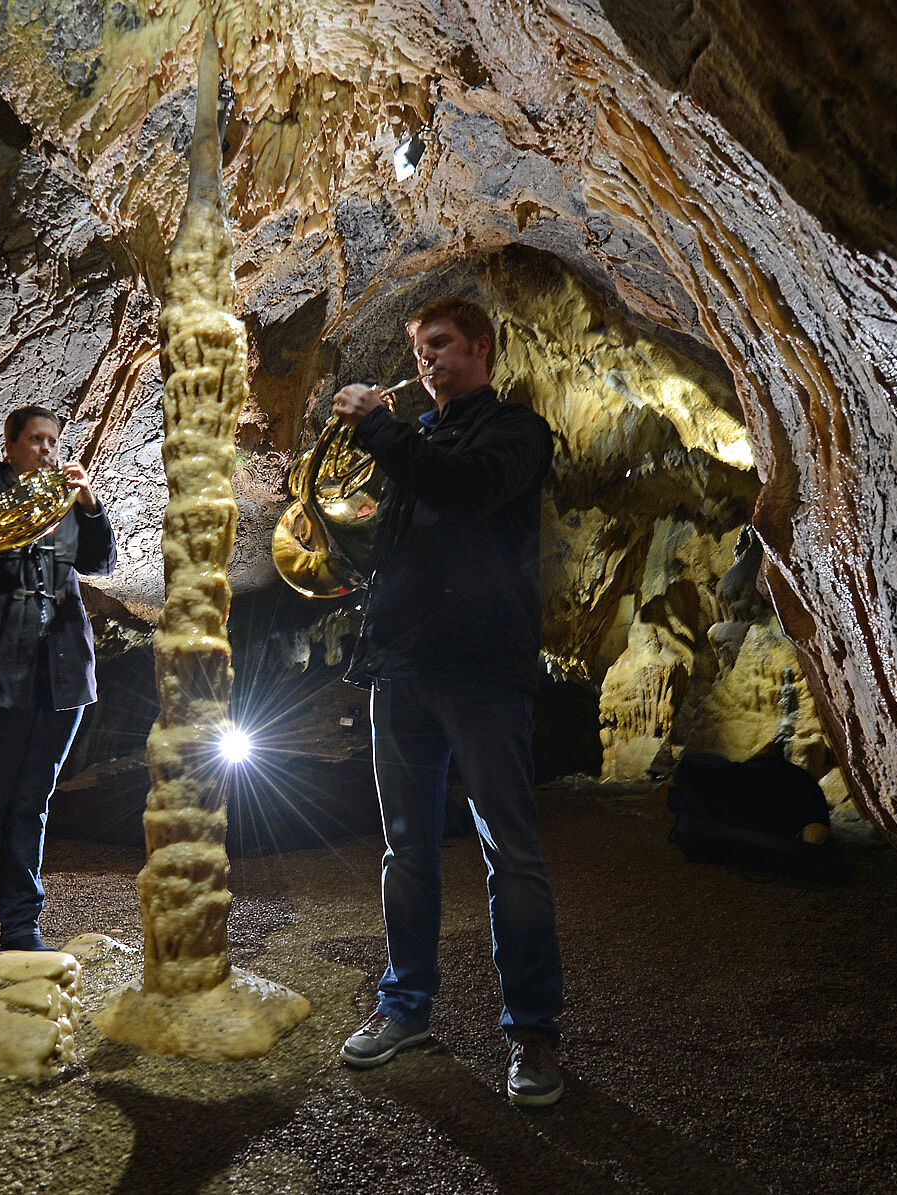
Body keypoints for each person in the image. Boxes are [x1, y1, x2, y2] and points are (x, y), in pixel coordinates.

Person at [328, 297, 567, 1107]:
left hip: (483, 672)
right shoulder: (417, 440)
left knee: (512, 854)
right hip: (401, 669)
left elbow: (466, 491)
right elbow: (387, 544)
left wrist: (378, 429)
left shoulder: (517, 433)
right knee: (406, 851)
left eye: (441, 345)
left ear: (481, 347)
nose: (427, 359)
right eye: (420, 348)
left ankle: (533, 1031)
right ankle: (405, 1008)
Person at [0, 405, 115, 953]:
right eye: (36, 440)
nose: (48, 451)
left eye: (54, 442)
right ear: (11, 444)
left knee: (33, 799)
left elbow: (100, 562)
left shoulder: (67, 502)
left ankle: (21, 926)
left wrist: (89, 504)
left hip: (58, 673)